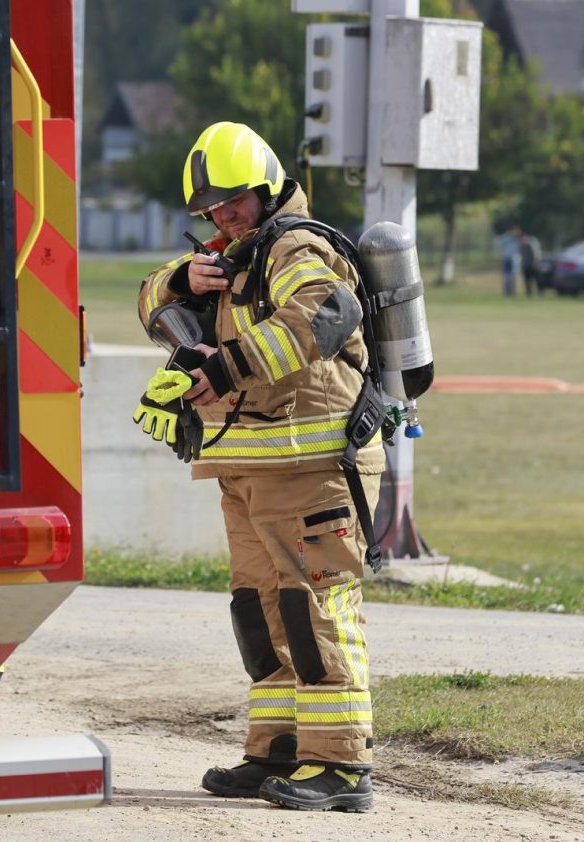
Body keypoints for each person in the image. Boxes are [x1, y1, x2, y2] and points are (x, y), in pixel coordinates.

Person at [135, 122, 385, 813]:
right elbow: (147, 302)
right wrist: (178, 279)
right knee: (262, 612)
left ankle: (341, 766)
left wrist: (225, 368)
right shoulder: (230, 254)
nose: (224, 217)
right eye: (211, 210)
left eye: (234, 201)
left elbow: (322, 313)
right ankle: (277, 748)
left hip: (313, 468)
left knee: (316, 608)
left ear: (267, 188)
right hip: (249, 470)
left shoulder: (294, 246)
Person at [496, 226, 522, 297]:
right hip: (507, 259)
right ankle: (507, 292)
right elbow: (498, 243)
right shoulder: (507, 238)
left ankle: (513, 292)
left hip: (515, 259)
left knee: (513, 276)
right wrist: (507, 235)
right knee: (506, 276)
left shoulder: (519, 239)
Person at [519, 230, 543, 296]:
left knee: (537, 280)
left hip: (534, 265)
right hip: (526, 265)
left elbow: (536, 255)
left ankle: (540, 292)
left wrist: (535, 263)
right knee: (527, 281)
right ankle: (529, 293)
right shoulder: (522, 246)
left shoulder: (532, 244)